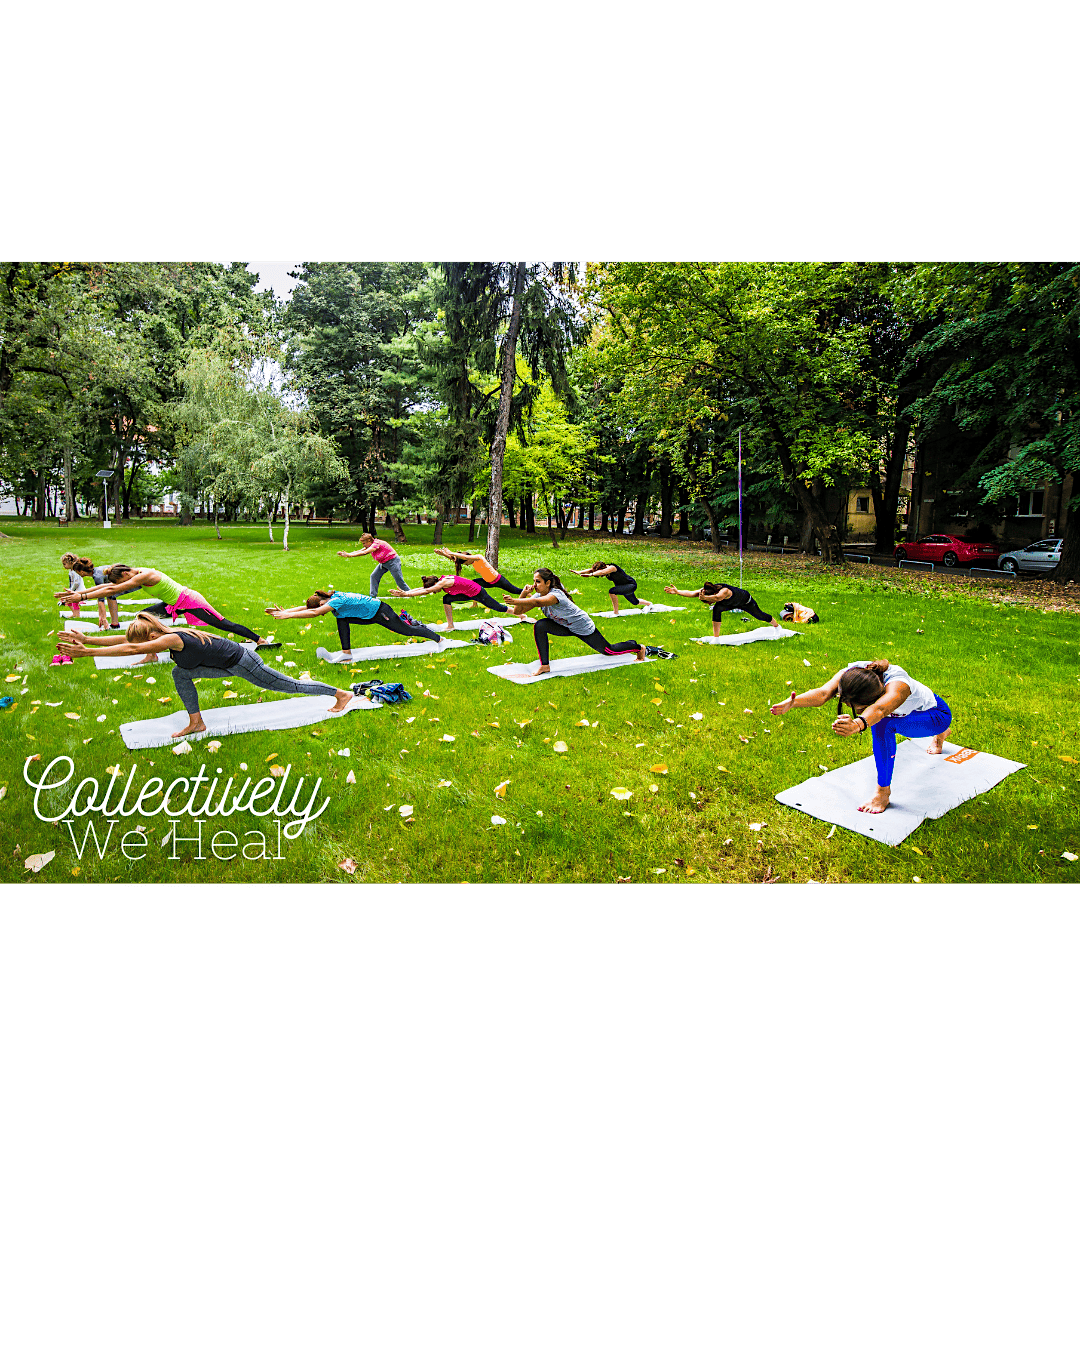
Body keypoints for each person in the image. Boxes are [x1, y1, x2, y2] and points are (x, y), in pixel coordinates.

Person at [57, 615, 355, 739]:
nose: (141, 645)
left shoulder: (169, 639)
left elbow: (129, 649)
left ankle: (339, 694)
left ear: (151, 634)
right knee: (180, 673)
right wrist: (91, 641)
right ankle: (196, 722)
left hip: (242, 662)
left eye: (143, 641)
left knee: (289, 686)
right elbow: (129, 643)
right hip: (227, 662)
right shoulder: (168, 632)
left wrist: (88, 653)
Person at [770, 658, 952, 815]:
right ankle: (940, 736)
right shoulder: (856, 673)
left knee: (883, 724)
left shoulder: (899, 686)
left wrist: (857, 725)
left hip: (936, 716)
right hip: (913, 713)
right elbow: (824, 693)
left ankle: (883, 793)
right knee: (882, 721)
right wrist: (793, 703)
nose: (855, 709)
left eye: (857, 706)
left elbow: (880, 710)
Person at [55, 564, 275, 648]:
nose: (122, 586)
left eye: (122, 582)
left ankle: (259, 640)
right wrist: (79, 594)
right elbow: (107, 588)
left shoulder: (144, 575)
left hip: (190, 601)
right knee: (143, 618)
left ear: (125, 574)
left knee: (223, 624)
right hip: (174, 604)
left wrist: (81, 595)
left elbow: (110, 591)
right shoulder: (135, 573)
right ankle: (150, 652)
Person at [503, 568, 655, 677]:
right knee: (540, 625)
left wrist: (515, 599)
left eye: (538, 581)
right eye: (534, 581)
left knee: (609, 651)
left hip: (582, 627)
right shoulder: (536, 594)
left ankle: (637, 647)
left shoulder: (555, 595)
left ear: (548, 583)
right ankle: (544, 665)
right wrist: (523, 593)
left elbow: (536, 602)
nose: (535, 584)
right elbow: (518, 612)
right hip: (564, 626)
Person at [265, 590, 444, 661]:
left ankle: (438, 638)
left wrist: (287, 616)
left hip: (380, 612)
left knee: (406, 631)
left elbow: (314, 612)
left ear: (321, 603)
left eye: (321, 608)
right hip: (367, 615)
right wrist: (286, 611)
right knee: (341, 619)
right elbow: (308, 608)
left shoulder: (337, 600)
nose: (323, 610)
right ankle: (346, 653)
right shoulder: (328, 599)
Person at [390, 574, 509, 632]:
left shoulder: (443, 583)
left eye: (433, 589)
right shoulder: (440, 582)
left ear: (435, 585)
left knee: (497, 607)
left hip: (478, 593)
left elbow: (426, 591)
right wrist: (406, 592)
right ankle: (450, 625)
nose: (434, 592)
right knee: (447, 599)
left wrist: (406, 595)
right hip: (467, 593)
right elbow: (423, 589)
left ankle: (520, 614)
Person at [664, 581, 778, 637]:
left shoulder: (724, 591)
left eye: (708, 602)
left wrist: (707, 598)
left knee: (760, 615)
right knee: (717, 609)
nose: (709, 603)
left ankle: (777, 626)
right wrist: (677, 592)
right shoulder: (706, 591)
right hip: (730, 604)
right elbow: (691, 593)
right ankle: (716, 638)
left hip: (745, 602)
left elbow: (717, 597)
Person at [336, 533, 408, 596]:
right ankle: (373, 596)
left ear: (369, 541)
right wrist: (348, 554)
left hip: (392, 562)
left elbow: (365, 552)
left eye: (364, 543)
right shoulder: (370, 545)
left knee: (399, 580)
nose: (363, 545)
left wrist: (349, 555)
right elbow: (361, 550)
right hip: (383, 563)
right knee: (374, 576)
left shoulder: (376, 544)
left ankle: (410, 593)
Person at [433, 546, 522, 595]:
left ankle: (529, 595)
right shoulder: (472, 562)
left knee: (515, 591)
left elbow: (465, 557)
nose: (467, 565)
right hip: (487, 581)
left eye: (466, 563)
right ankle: (475, 603)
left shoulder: (479, 558)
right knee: (473, 584)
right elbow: (457, 559)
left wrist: (451, 552)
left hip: (498, 580)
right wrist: (444, 554)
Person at [571, 560, 651, 614]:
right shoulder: (603, 569)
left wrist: (590, 575)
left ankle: (616, 613)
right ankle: (649, 604)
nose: (601, 575)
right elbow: (591, 570)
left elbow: (602, 572)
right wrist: (579, 572)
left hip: (630, 585)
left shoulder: (612, 568)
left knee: (612, 591)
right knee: (634, 602)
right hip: (623, 586)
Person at [67, 555, 122, 628]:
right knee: (111, 596)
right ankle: (115, 624)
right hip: (115, 582)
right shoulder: (96, 572)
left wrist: (103, 618)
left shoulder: (97, 577)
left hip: (124, 580)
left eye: (77, 572)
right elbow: (99, 593)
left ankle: (114, 623)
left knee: (111, 596)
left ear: (82, 572)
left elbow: (101, 599)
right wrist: (101, 616)